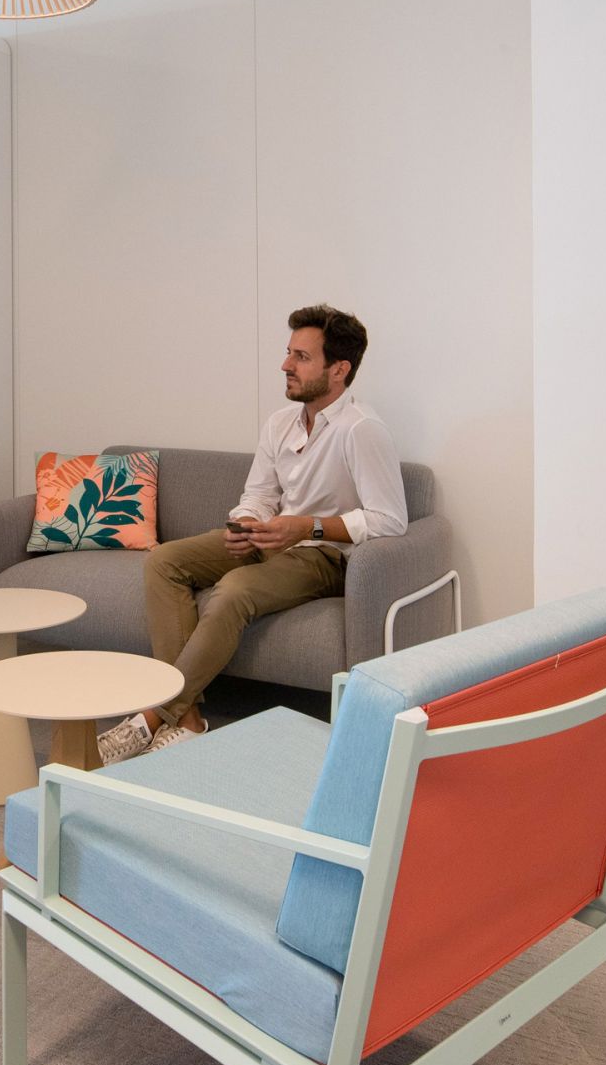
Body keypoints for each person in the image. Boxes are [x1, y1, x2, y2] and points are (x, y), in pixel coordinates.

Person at [99, 304, 407, 764]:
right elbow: (259, 495)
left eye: (302, 357)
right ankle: (188, 719)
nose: (286, 365)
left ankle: (153, 714)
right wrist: (245, 523)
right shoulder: (279, 423)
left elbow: (390, 519)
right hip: (269, 539)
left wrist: (306, 526)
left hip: (323, 554)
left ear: (339, 369)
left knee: (233, 590)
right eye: (289, 353)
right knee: (164, 561)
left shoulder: (362, 430)